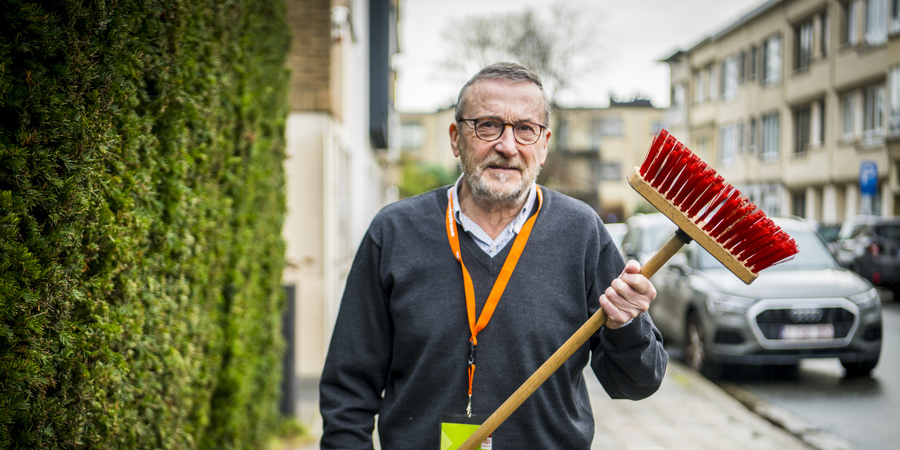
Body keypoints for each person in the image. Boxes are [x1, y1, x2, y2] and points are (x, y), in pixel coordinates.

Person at [319, 62, 667, 449]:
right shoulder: (394, 233)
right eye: (487, 125)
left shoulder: (582, 233)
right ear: (456, 138)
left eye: (525, 129)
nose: (507, 145)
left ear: (544, 144)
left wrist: (626, 326)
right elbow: (347, 391)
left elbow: (637, 384)